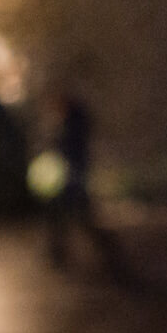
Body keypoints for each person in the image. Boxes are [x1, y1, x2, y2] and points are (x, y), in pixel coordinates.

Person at [45, 92, 129, 278]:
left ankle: (109, 255)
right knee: (68, 219)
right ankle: (58, 254)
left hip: (72, 180)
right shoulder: (73, 123)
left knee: (78, 219)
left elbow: (70, 151)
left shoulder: (73, 125)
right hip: (71, 179)